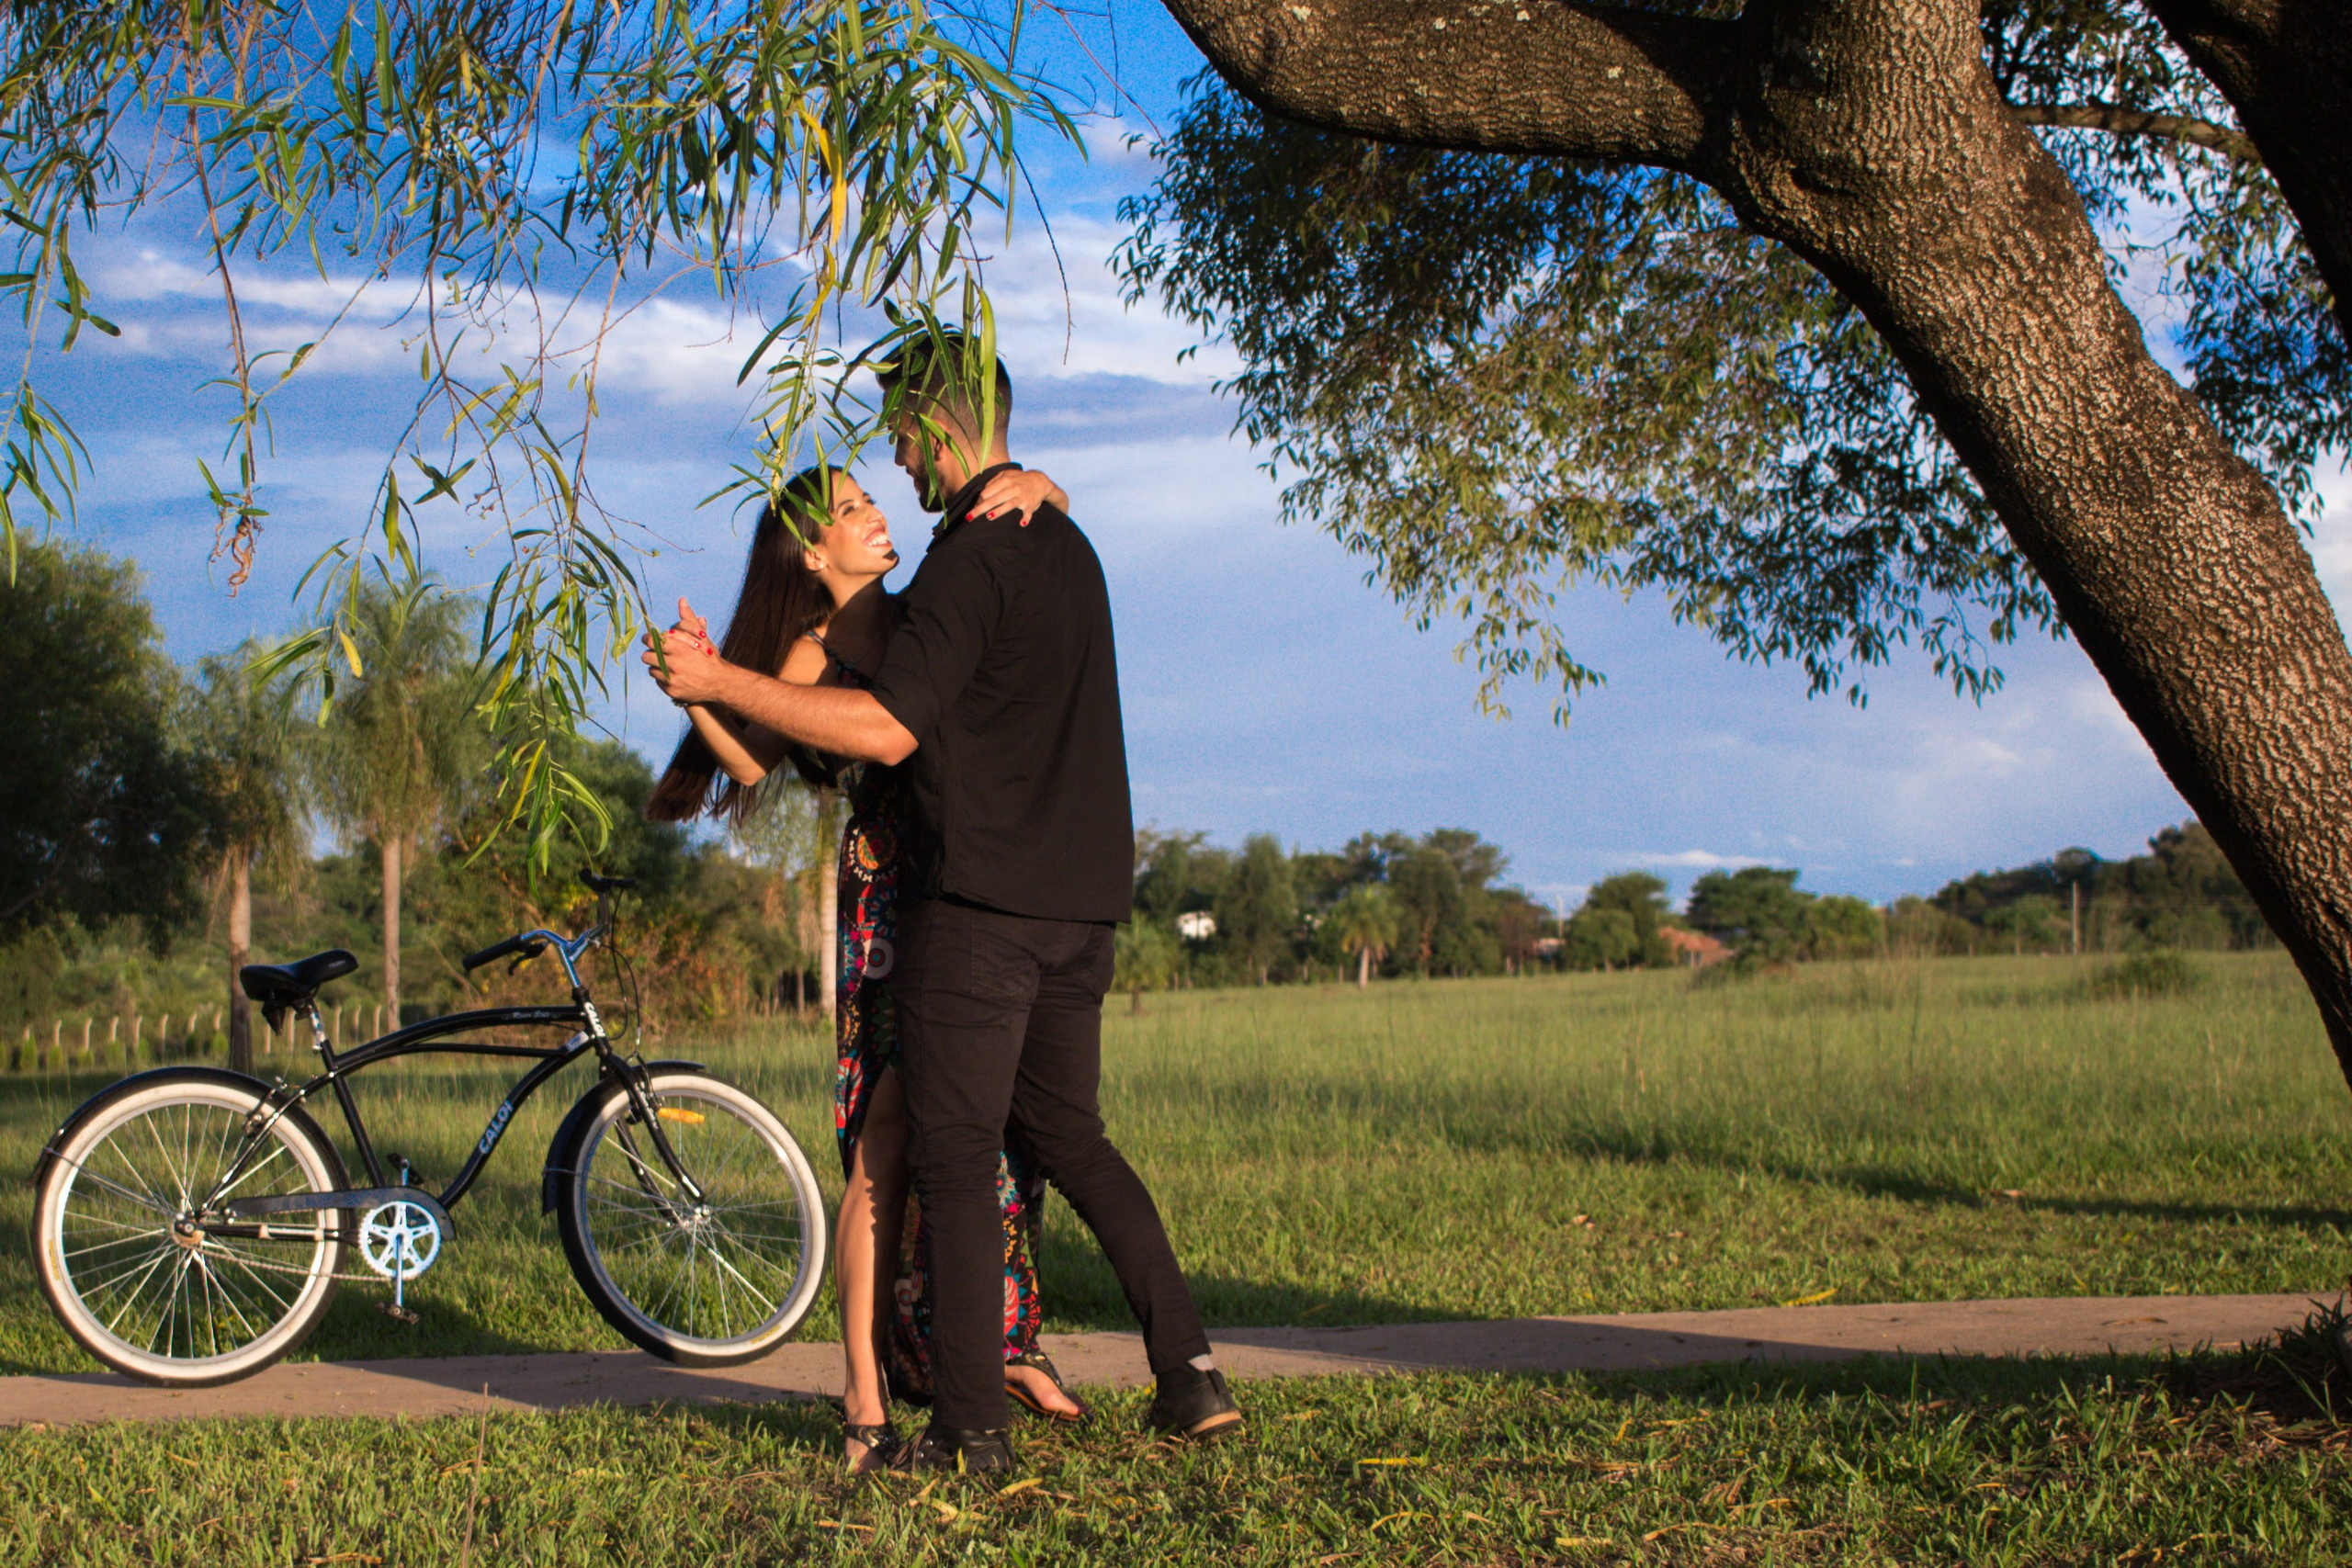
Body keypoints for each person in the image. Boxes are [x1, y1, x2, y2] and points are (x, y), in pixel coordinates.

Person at [643, 334, 1244, 1473]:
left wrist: (716, 680)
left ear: (935, 422)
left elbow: (887, 730)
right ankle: (1190, 1375)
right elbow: (820, 720)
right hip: (1082, 903)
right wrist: (1046, 485)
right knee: (1070, 1139)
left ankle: (971, 1427)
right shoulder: (1061, 542)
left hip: (980, 905)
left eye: (901, 439)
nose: (899, 465)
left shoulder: (971, 559)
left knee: (959, 1161)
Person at [644, 461, 1087, 1472]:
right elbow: (752, 761)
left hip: (971, 881)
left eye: (869, 498)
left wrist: (1044, 486)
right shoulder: (817, 644)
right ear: (812, 552)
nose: (874, 513)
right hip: (893, 889)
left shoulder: (932, 596)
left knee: (999, 1129)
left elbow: (1026, 526)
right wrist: (696, 692)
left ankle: (993, 1350)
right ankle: (865, 1388)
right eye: (848, 511)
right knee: (888, 1135)